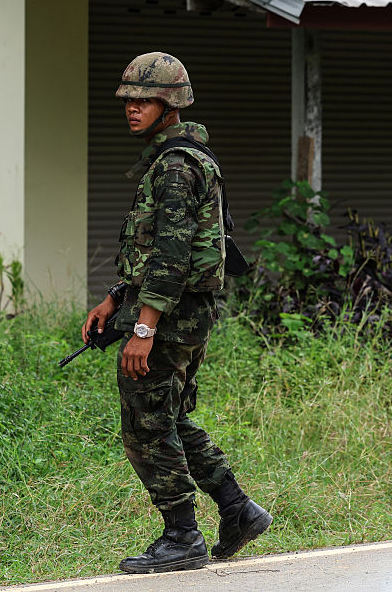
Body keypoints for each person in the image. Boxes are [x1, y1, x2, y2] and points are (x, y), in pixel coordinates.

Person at [81, 52, 271, 575]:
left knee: (146, 426)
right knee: (169, 417)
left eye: (145, 100)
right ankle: (237, 510)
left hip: (169, 318)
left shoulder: (175, 166)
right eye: (129, 100)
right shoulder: (180, 158)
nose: (133, 108)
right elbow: (160, 248)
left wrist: (143, 327)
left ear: (170, 106)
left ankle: (182, 536)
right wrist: (117, 297)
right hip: (182, 312)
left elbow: (172, 254)